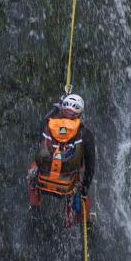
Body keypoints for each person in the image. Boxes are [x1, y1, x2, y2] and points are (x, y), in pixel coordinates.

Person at [25, 93, 96, 225]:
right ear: (80, 114)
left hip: (44, 182)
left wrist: (55, 109)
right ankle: (85, 223)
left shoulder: (48, 125)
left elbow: (36, 131)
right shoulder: (85, 133)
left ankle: (35, 206)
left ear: (62, 111)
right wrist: (84, 190)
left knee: (32, 168)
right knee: (82, 186)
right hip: (67, 186)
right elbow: (90, 166)